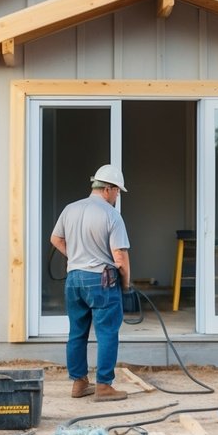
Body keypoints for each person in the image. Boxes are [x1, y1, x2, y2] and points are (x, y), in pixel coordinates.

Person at [50, 164, 132, 401]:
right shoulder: (111, 215)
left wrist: (75, 256)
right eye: (117, 192)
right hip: (102, 280)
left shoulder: (70, 209)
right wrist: (126, 283)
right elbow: (119, 256)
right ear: (107, 189)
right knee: (107, 332)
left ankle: (79, 383)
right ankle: (104, 386)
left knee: (77, 333)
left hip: (74, 279)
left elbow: (55, 238)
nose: (117, 197)